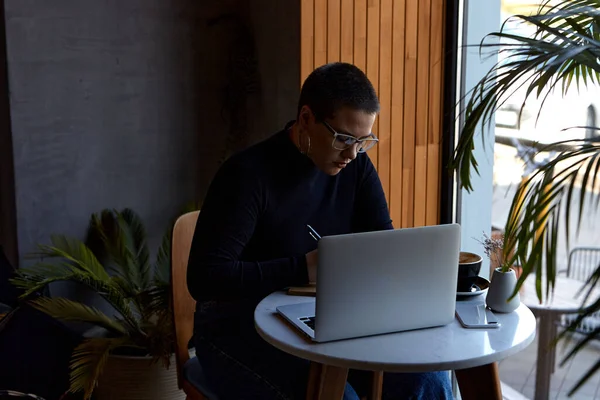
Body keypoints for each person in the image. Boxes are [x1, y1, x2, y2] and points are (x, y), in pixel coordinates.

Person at [187, 62, 453, 400]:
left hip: (326, 318)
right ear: (306, 119)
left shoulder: (356, 168)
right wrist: (304, 268)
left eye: (364, 141)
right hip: (237, 329)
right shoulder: (247, 176)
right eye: (343, 138)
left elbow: (381, 246)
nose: (352, 153)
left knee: (428, 378)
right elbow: (205, 279)